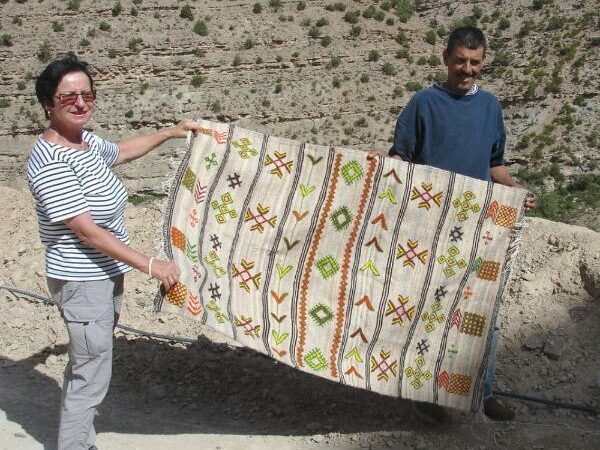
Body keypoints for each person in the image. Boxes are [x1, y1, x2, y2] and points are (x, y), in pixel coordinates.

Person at [27, 52, 202, 450]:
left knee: (88, 365)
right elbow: (86, 232)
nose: (80, 103)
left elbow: (120, 151)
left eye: (87, 95)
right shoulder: (50, 160)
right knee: (90, 373)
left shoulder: (84, 142)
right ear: (48, 103)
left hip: (104, 275)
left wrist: (170, 133)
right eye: (68, 96)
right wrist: (151, 265)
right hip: (82, 281)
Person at [388, 27, 536, 421]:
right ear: (446, 59)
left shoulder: (490, 107)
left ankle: (481, 393)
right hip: (429, 227)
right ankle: (424, 392)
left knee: (483, 311)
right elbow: (401, 158)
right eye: (460, 61)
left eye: (475, 62)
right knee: (428, 309)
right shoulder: (423, 103)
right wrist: (383, 169)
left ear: (482, 62)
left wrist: (516, 189)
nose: (467, 69)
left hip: (479, 231)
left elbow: (495, 164)